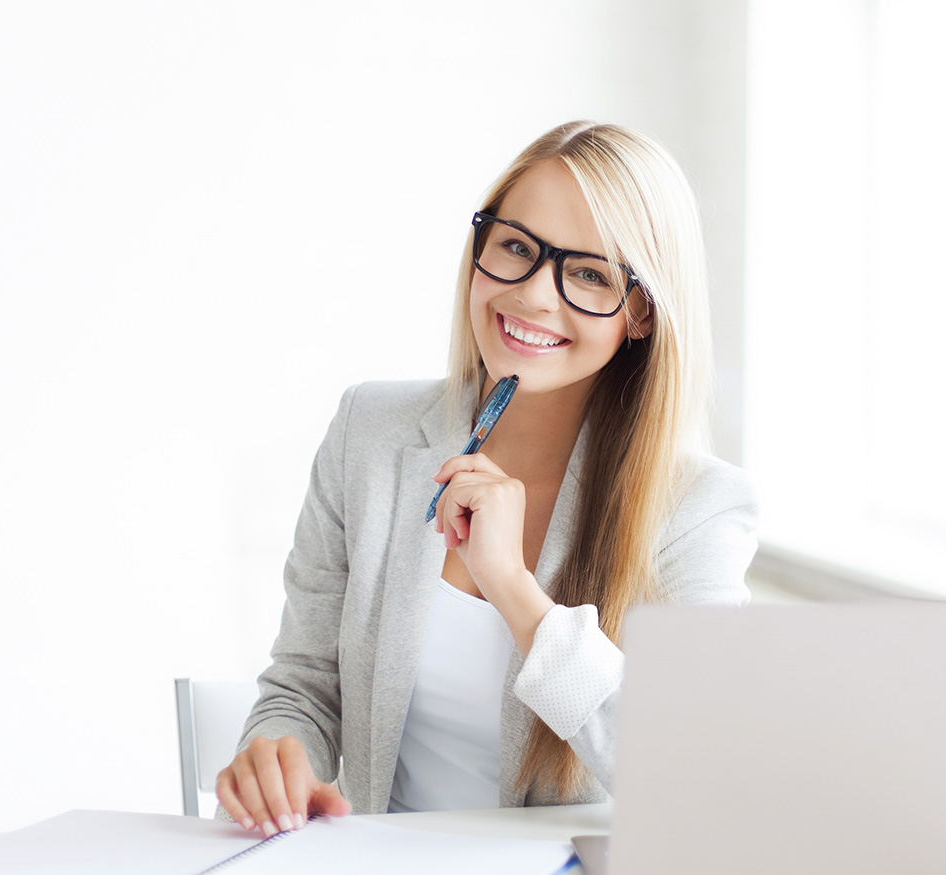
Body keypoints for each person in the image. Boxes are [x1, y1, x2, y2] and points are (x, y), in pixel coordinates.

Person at [214, 121, 759, 837]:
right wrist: (281, 755)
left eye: (590, 273)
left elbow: (698, 770)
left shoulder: (699, 509)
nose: (533, 294)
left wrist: (514, 588)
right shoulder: (368, 431)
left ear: (641, 312)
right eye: (516, 247)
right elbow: (304, 685)